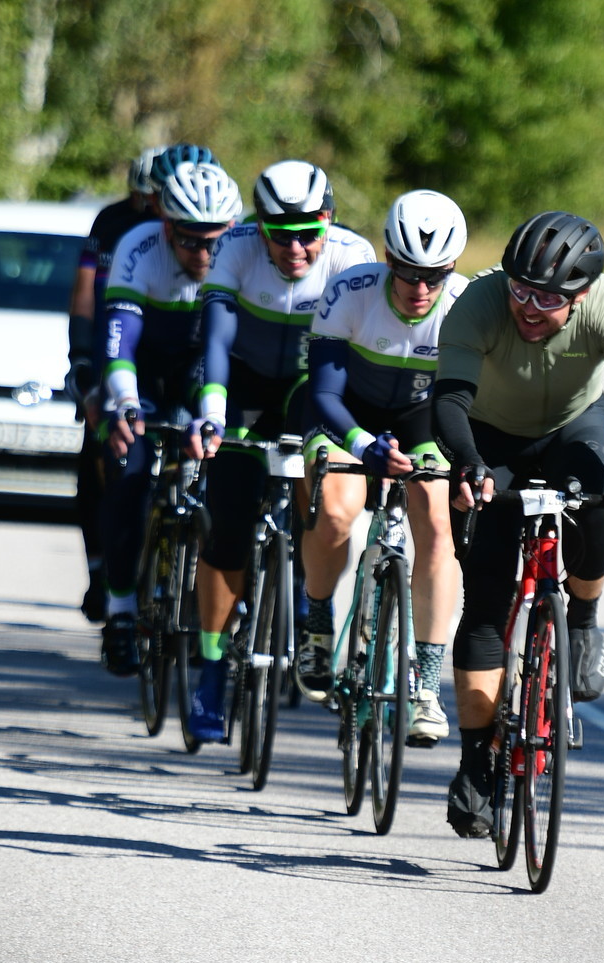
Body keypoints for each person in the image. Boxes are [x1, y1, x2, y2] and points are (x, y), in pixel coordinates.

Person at [432, 209, 604, 838]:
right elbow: (449, 402)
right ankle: (477, 761)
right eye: (520, 289)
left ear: (582, 294)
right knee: (485, 603)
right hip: (489, 436)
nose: (528, 308)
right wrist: (469, 465)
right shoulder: (480, 304)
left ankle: (583, 620)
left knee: (594, 510)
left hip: (574, 427)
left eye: (547, 298)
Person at [187, 162, 375, 740]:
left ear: (329, 220)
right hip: (243, 386)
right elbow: (217, 338)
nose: (295, 248)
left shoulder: (352, 256)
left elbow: (361, 355)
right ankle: (211, 668)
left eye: (308, 233)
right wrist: (212, 411)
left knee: (324, 500)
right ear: (259, 226)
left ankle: (310, 601)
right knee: (229, 525)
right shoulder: (237, 248)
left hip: (309, 390)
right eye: (280, 234)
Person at [302, 190, 468, 747]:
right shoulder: (350, 291)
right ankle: (317, 622)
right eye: (408, 274)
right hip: (346, 415)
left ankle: (427, 686)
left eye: (434, 276)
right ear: (389, 260)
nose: (420, 288)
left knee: (438, 527)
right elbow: (324, 394)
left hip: (424, 423)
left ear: (450, 268)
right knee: (335, 512)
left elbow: (469, 402)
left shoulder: (464, 306)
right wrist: (363, 444)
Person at [98, 154, 243, 679]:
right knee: (129, 473)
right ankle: (120, 608)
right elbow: (119, 342)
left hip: (203, 370)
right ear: (165, 226)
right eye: (189, 241)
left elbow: (229, 352)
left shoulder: (244, 252)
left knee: (228, 477)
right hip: (145, 372)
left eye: (215, 242)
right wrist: (124, 402)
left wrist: (213, 416)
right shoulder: (138, 247)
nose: (204, 254)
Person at [65, 146, 162, 623]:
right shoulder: (112, 221)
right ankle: (99, 565)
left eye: (156, 200)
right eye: (142, 198)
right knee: (100, 457)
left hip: (167, 355)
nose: (150, 209)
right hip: (115, 347)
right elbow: (85, 294)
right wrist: (81, 358)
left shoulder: (195, 234)